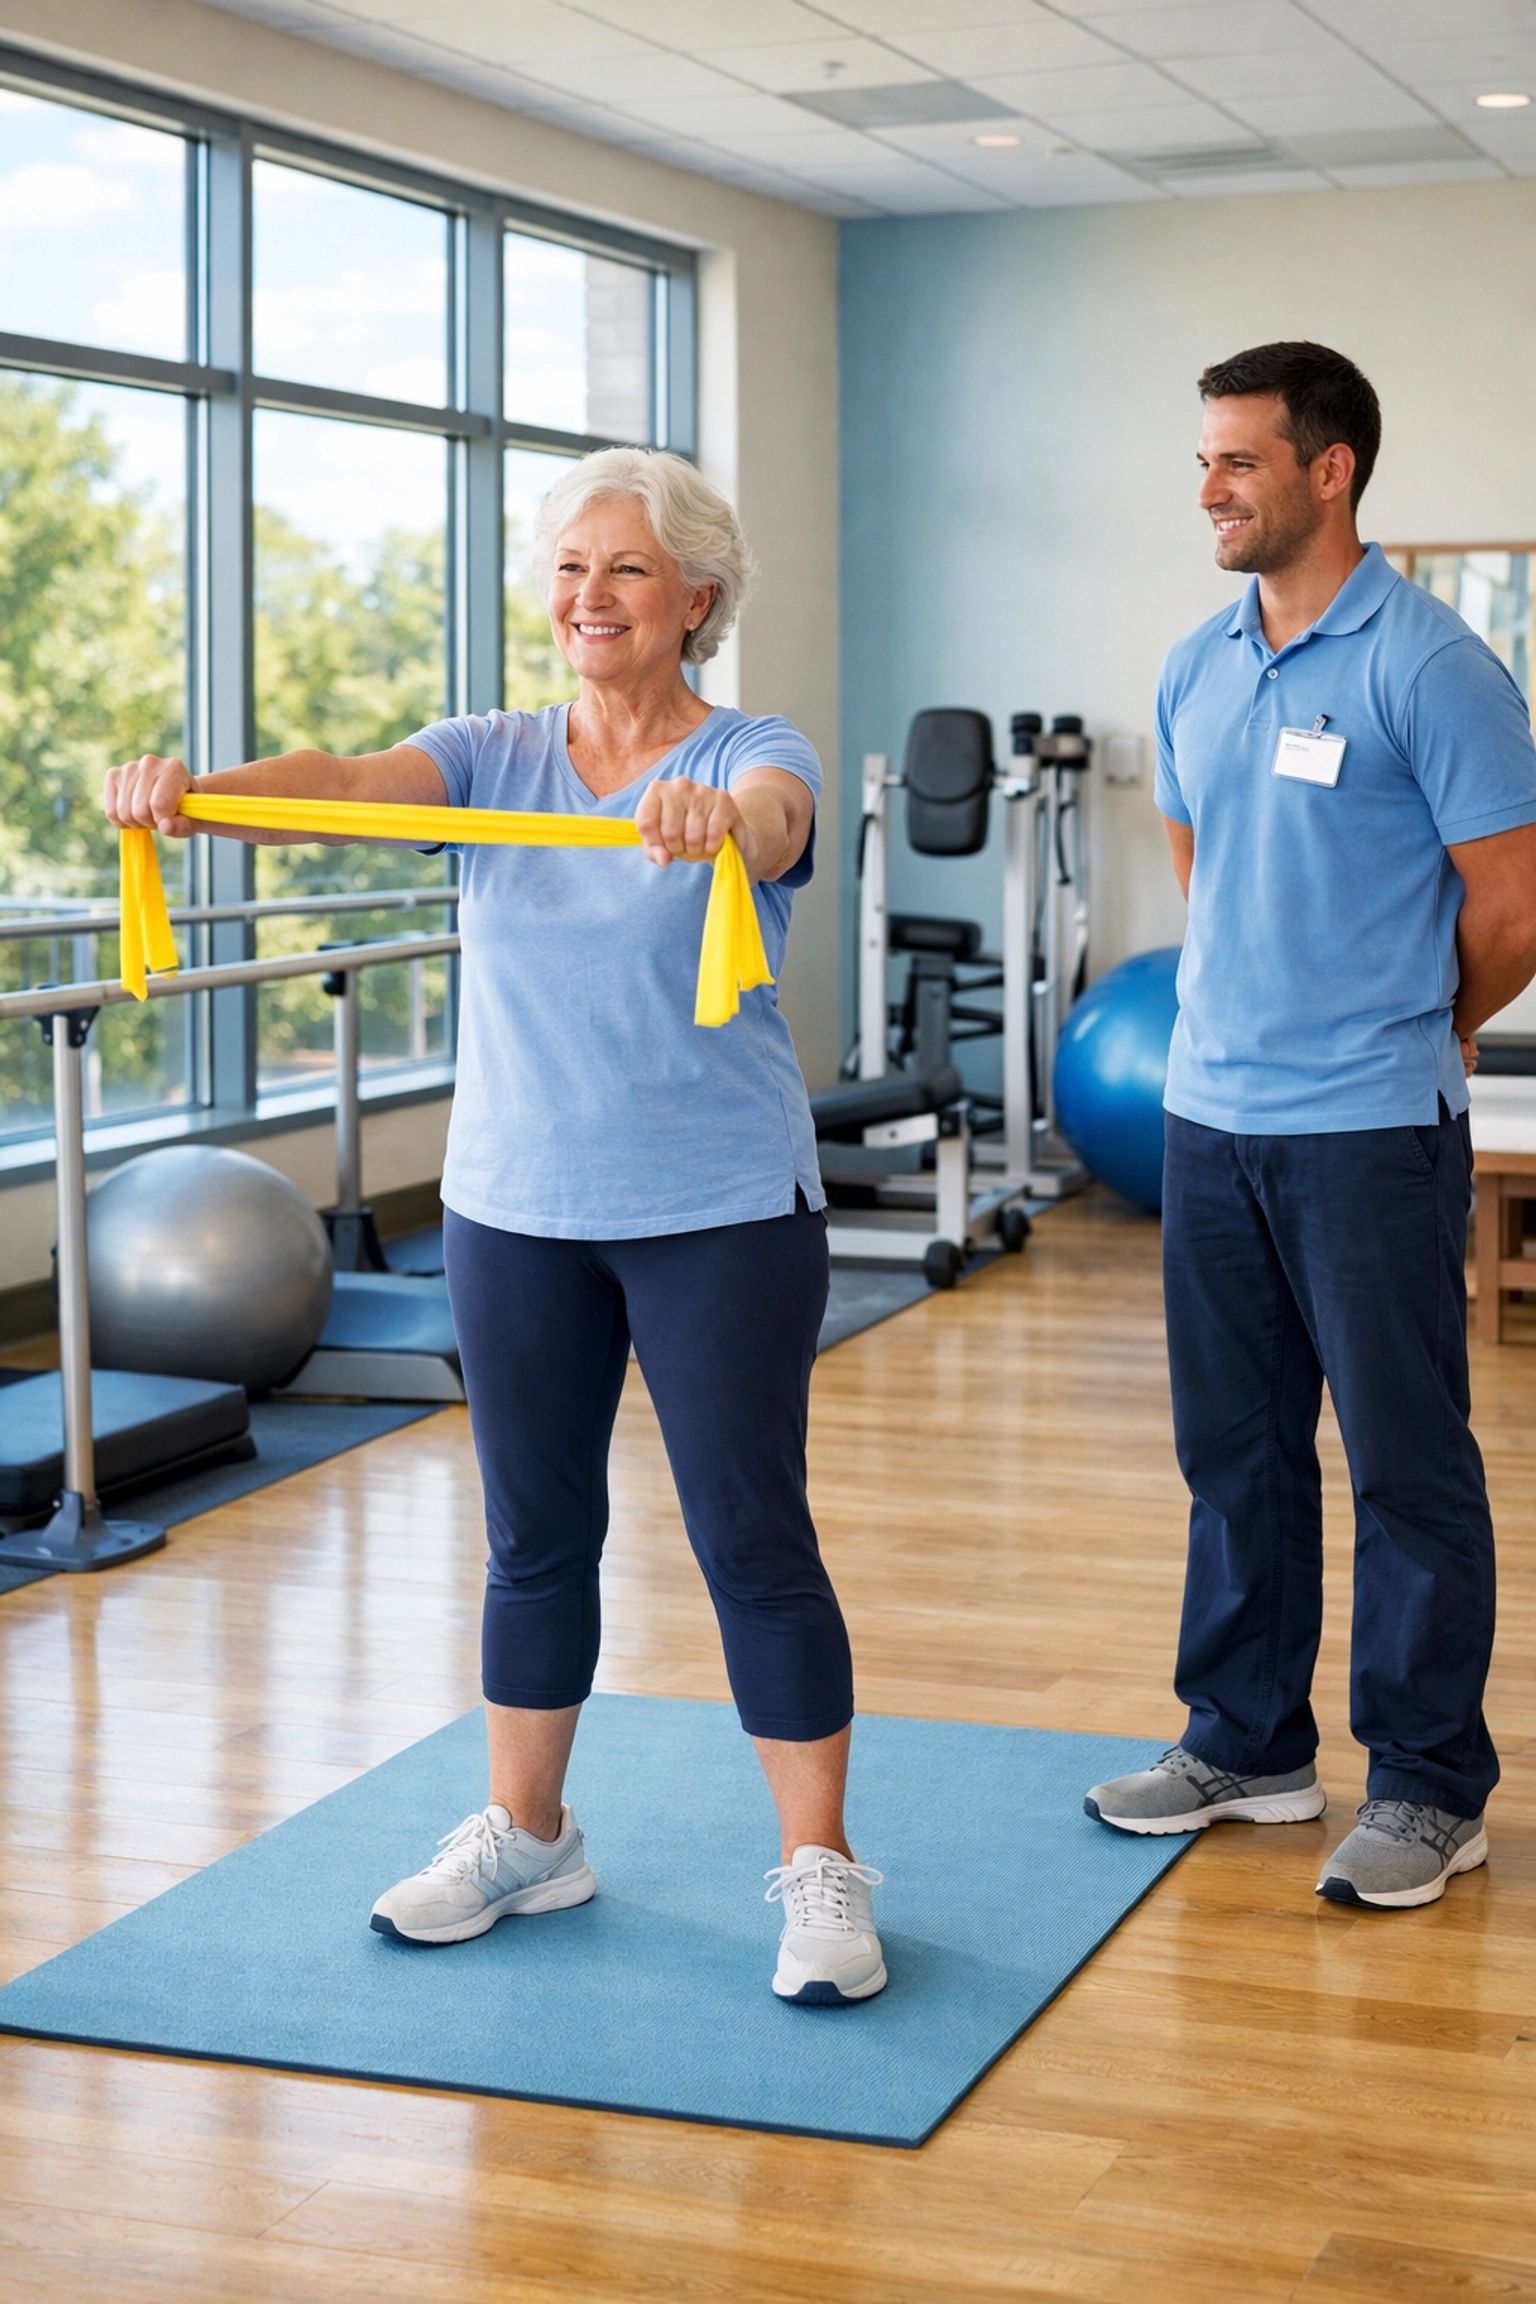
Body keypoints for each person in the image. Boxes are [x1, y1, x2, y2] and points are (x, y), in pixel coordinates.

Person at [105, 447, 885, 2003]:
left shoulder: (748, 746)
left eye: (625, 572)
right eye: (569, 571)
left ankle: (821, 1870)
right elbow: (340, 788)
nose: (587, 599)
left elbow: (783, 819)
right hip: (516, 1212)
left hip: (719, 1211)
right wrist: (193, 794)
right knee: (536, 1541)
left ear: (697, 602)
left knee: (752, 1541)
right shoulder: (489, 753)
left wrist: (718, 818)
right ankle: (531, 1833)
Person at [1084, 342, 1536, 1909]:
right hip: (1209, 1121)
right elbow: (1209, 866)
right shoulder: (1199, 662)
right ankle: (1247, 1739)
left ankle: (1429, 1782)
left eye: (1238, 462)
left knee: (1406, 1460)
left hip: (1368, 1132)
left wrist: (1408, 1027)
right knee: (1236, 1450)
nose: (1207, 489)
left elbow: (1513, 910)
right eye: (1203, 460)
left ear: (1329, 469)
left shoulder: (1433, 665)